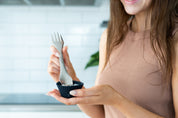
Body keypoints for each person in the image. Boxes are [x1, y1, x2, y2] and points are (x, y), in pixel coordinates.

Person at [47, 0, 178, 117]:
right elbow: (102, 113)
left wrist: (117, 100)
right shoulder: (111, 36)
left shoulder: (174, 39)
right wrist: (71, 79)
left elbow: (113, 101)